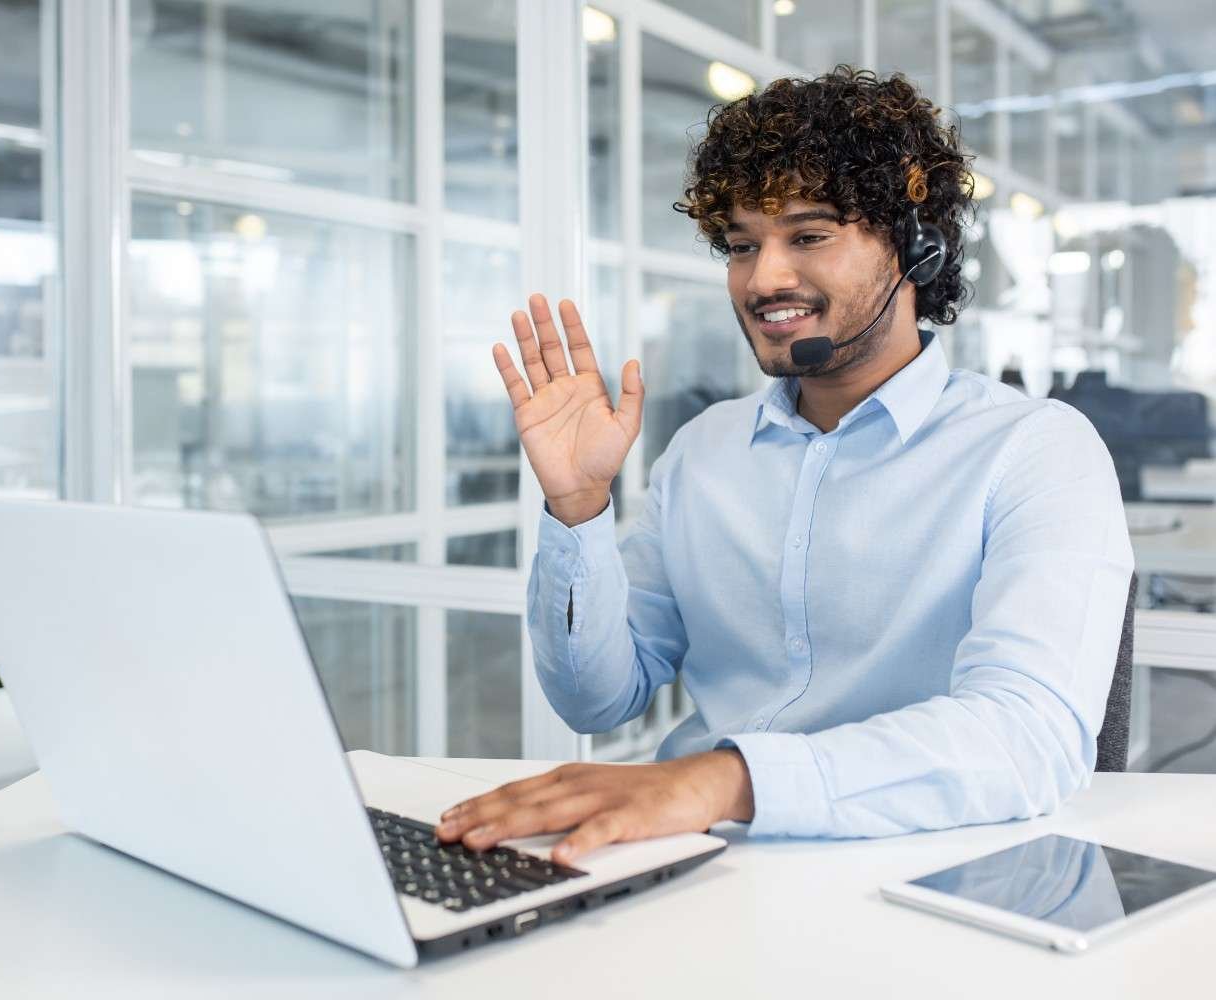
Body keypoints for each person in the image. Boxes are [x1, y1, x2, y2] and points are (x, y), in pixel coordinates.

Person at [434, 66, 1133, 864]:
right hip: (699, 860)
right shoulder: (704, 451)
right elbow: (598, 697)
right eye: (741, 246)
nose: (763, 279)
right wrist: (579, 508)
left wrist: (720, 782)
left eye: (809, 235)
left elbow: (1028, 735)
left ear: (916, 247)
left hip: (918, 870)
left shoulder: (1035, 449)